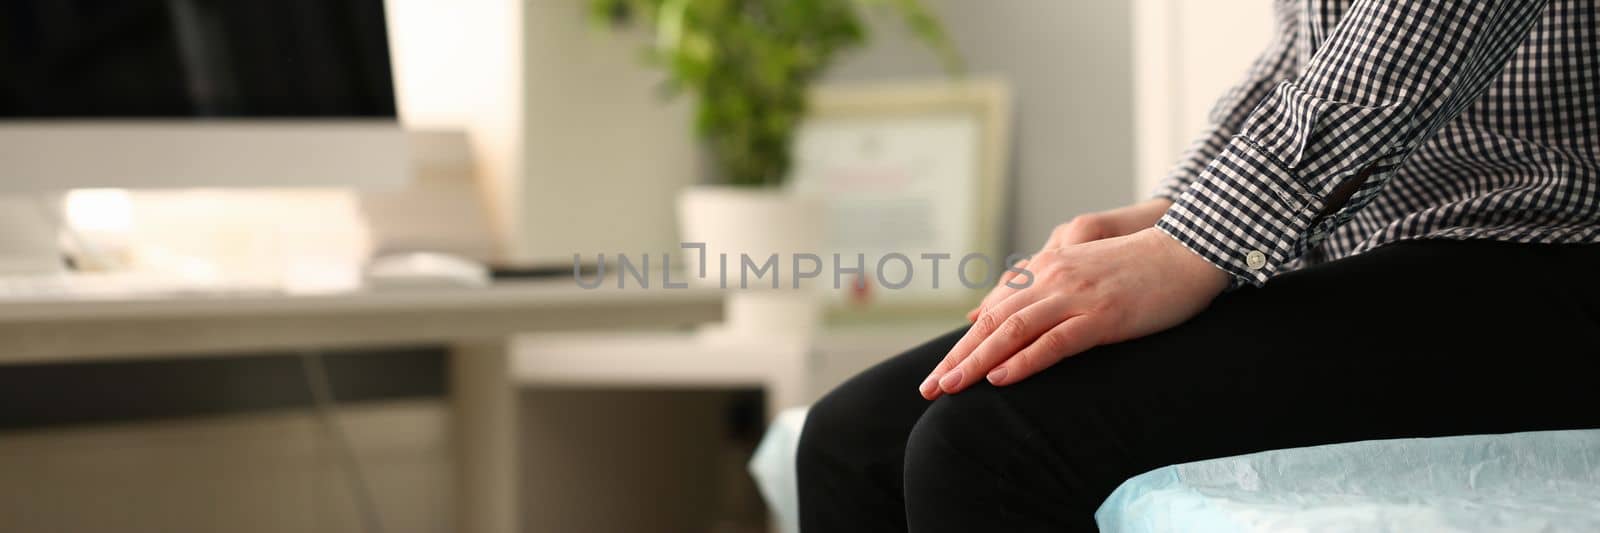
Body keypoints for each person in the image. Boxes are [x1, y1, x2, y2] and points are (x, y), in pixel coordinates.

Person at [795, 1, 1600, 531]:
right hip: (1375, 246)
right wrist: (1167, 213)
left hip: (1556, 249)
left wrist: (1199, 243)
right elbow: (1314, 47)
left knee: (988, 439)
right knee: (852, 438)